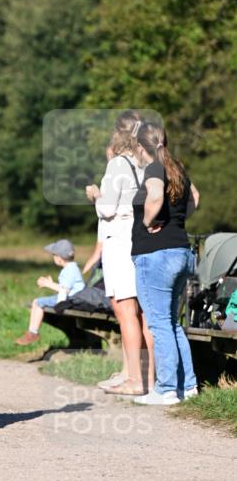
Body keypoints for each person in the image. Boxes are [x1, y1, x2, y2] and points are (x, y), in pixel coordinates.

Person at [130, 122, 200, 404]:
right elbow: (195, 197)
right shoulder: (177, 168)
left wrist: (148, 223)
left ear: (139, 147)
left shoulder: (153, 168)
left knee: (159, 324)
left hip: (156, 255)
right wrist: (178, 221)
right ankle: (189, 386)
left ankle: (167, 389)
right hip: (181, 251)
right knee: (171, 323)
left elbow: (156, 195)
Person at [85, 112, 155, 395]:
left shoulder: (117, 164)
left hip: (119, 240)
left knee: (125, 309)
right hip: (140, 238)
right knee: (143, 311)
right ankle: (142, 374)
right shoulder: (146, 164)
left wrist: (94, 196)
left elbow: (107, 209)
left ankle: (135, 380)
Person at [16, 239, 85, 345]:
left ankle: (33, 333)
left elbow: (65, 291)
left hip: (70, 300)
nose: (53, 258)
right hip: (73, 298)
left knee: (38, 302)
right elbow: (66, 287)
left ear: (59, 258)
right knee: (37, 302)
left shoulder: (68, 270)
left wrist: (48, 284)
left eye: (53, 255)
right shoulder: (73, 268)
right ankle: (32, 332)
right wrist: (52, 284)